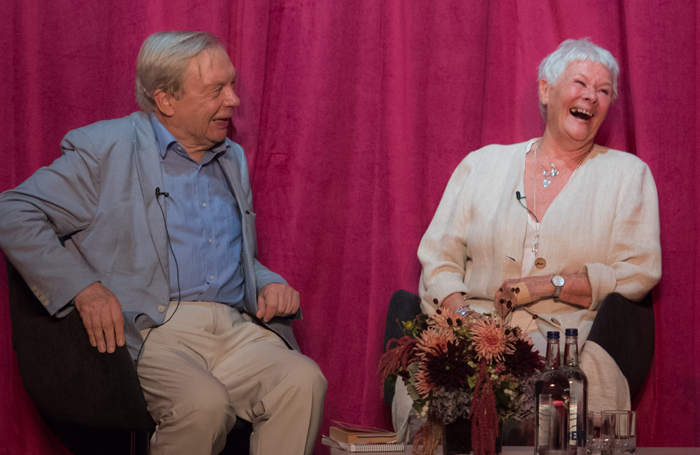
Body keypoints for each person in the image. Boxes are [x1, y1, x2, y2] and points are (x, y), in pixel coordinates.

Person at [0, 31, 327, 455]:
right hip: (155, 329)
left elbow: (228, 252)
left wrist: (266, 281)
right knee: (202, 405)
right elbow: (13, 210)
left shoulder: (231, 158)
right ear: (166, 100)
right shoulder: (105, 149)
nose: (234, 100)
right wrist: (82, 287)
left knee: (303, 381)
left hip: (235, 329)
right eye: (216, 90)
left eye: (232, 85)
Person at [392, 38, 661, 435]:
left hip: (569, 340)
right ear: (545, 90)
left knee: (557, 410)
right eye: (581, 83)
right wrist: (467, 323)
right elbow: (439, 258)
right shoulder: (481, 165)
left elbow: (639, 272)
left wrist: (549, 284)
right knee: (428, 392)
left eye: (603, 91)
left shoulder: (628, 175)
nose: (591, 96)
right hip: (471, 328)